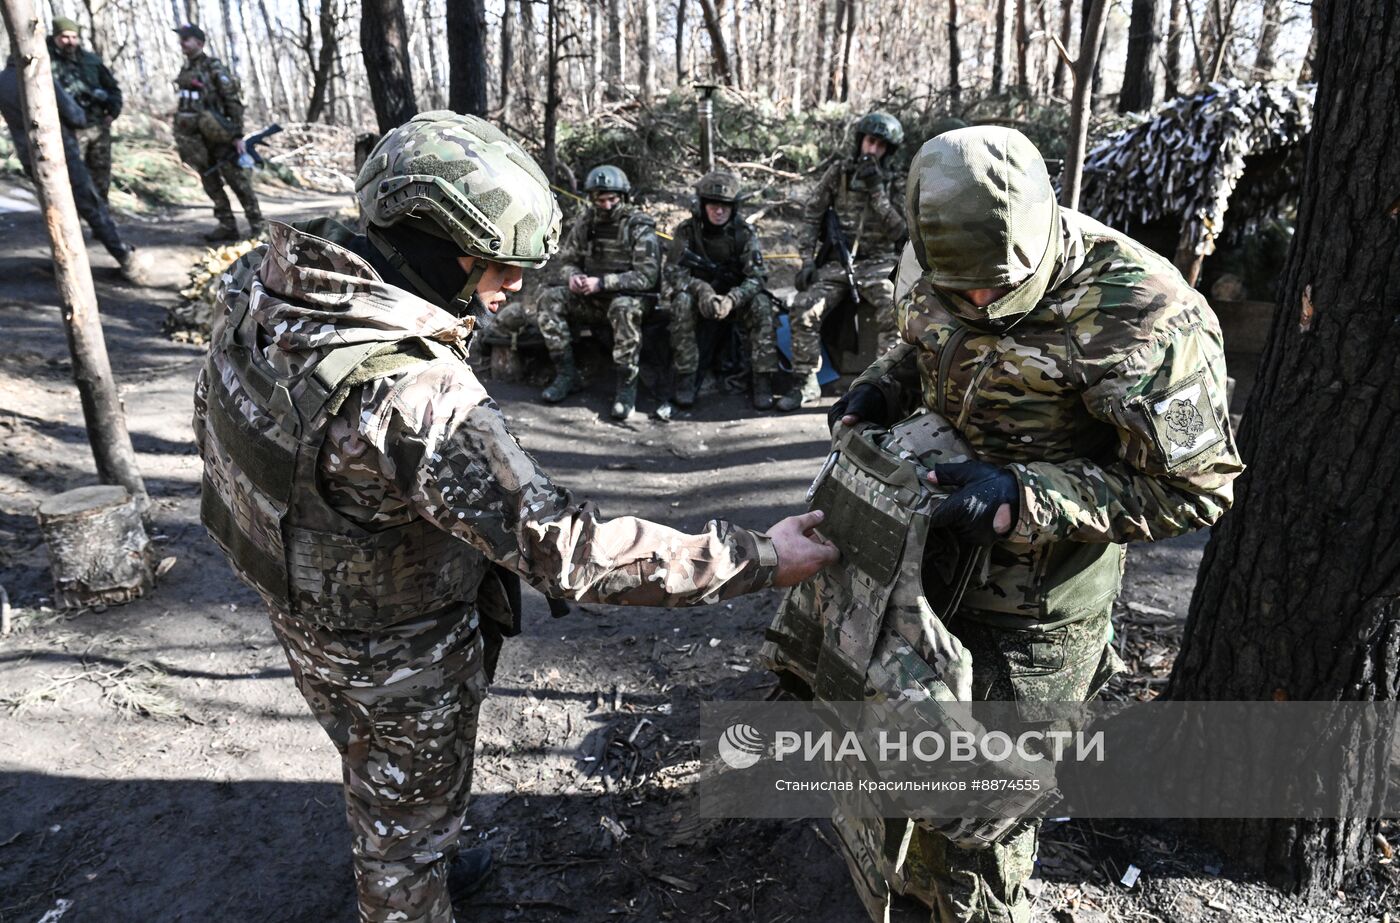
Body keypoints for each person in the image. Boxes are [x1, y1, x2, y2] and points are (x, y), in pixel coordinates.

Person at [192, 111, 838, 923]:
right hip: (399, 652)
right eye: (500, 269)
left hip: (298, 596)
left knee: (373, 763)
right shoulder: (414, 392)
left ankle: (431, 836)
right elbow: (563, 547)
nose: (512, 291)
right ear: (446, 249)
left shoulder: (271, 289)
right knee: (398, 846)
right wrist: (758, 555)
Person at [819, 125, 1244, 922]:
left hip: (1033, 621)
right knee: (893, 760)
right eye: (959, 287)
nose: (977, 302)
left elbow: (1198, 487)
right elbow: (920, 343)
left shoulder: (1147, 318)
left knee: (981, 818)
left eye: (998, 288)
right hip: (920, 573)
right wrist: (878, 387)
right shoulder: (929, 263)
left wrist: (1026, 495)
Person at [779, 111, 906, 412]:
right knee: (804, 307)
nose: (872, 150)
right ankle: (805, 381)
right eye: (869, 142)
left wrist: (877, 191)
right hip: (840, 263)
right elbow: (811, 216)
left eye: (880, 146)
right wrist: (806, 261)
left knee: (895, 309)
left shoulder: (895, 181)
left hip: (880, 262)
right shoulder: (838, 173)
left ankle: (881, 386)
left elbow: (900, 230)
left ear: (889, 151)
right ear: (860, 141)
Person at [532, 164, 660, 420]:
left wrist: (602, 283)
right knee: (549, 299)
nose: (606, 205)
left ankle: (626, 388)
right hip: (592, 300)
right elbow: (566, 261)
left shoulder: (637, 226)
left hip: (631, 300)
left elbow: (647, 276)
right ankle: (566, 374)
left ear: (622, 197)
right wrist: (573, 277)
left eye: (612, 199)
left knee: (622, 308)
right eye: (600, 200)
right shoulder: (586, 223)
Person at [0, 57, 142, 283]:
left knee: (53, 207)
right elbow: (76, 117)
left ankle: (65, 261)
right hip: (59, 153)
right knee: (89, 203)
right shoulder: (40, 77)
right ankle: (124, 257)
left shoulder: (2, 82)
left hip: (29, 156)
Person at [664, 170, 778, 410]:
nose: (719, 211)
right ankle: (686, 378)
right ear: (703, 204)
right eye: (713, 205)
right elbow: (673, 272)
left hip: (734, 300)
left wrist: (732, 299)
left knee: (761, 304)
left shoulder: (743, 234)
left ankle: (763, 379)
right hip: (700, 300)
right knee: (680, 302)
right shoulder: (687, 231)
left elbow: (758, 277)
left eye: (725, 206)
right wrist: (702, 290)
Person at [171, 23, 264, 241]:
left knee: (238, 182)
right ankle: (227, 225)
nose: (182, 42)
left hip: (220, 136)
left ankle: (259, 227)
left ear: (199, 42)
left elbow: (232, 101)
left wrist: (238, 135)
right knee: (210, 181)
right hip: (196, 140)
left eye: (187, 38)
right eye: (181, 38)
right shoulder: (186, 70)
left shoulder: (214, 67)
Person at [48, 16, 122, 203]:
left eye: (74, 37)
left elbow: (113, 89)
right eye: (65, 37)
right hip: (67, 129)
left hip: (97, 126)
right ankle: (76, 220)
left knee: (101, 174)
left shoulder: (91, 61)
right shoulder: (46, 61)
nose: (70, 42)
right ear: (56, 37)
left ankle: (102, 219)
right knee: (72, 176)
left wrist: (112, 113)